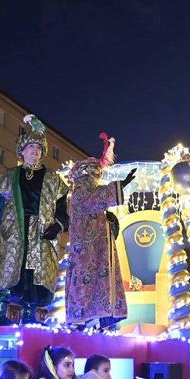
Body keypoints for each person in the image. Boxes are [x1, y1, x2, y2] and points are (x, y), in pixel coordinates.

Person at [0, 115, 70, 324]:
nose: (35, 151)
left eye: (39, 148)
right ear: (22, 152)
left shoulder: (54, 179)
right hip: (16, 230)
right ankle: (0, 315)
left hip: (42, 232)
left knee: (38, 275)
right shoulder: (10, 176)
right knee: (11, 269)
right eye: (31, 147)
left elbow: (62, 209)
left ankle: (31, 316)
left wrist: (58, 225)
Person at [65, 134, 133, 329]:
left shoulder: (89, 194)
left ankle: (98, 318)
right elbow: (94, 199)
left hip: (97, 249)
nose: (98, 179)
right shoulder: (81, 192)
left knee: (99, 281)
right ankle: (83, 320)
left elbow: (97, 202)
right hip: (87, 251)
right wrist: (122, 185)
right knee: (85, 283)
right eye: (96, 175)